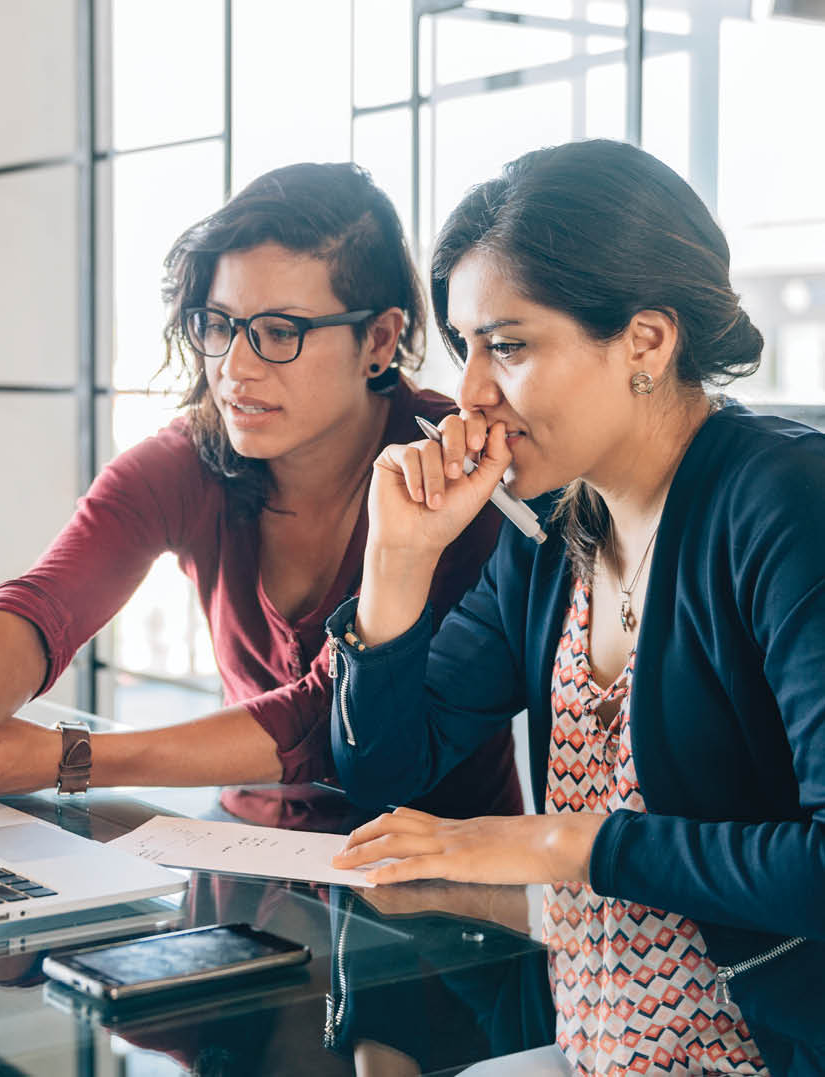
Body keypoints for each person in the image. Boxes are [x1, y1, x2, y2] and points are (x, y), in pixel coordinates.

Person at [327, 140, 824, 1073]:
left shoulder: (786, 505)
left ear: (646, 342)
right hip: (588, 1050)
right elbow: (383, 768)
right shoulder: (556, 531)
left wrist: (562, 841)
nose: (470, 394)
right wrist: (396, 560)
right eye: (466, 347)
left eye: (508, 346)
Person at [0, 162, 520, 837]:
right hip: (242, 844)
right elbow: (46, 602)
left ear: (378, 339)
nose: (234, 368)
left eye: (280, 332)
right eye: (218, 324)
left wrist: (68, 758)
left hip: (440, 871)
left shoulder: (455, 471)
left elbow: (324, 720)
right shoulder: (193, 457)